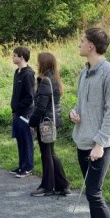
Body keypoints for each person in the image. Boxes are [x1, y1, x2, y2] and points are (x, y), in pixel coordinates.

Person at [70, 28, 110, 218]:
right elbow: (83, 103)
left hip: (99, 144)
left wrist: (100, 143)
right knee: (91, 195)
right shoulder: (85, 71)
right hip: (82, 140)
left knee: (94, 192)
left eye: (82, 41)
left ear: (91, 46)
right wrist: (75, 113)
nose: (79, 44)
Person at [28, 52, 70, 196]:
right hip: (52, 121)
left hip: (45, 122)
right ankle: (63, 185)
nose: (36, 63)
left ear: (43, 63)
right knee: (51, 153)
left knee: (46, 154)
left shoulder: (45, 80)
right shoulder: (54, 79)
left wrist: (31, 122)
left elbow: (40, 106)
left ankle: (47, 187)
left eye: (38, 61)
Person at [9, 46, 35, 178]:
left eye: (15, 55)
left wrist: (18, 107)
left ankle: (28, 168)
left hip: (25, 113)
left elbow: (30, 97)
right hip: (17, 113)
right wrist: (14, 109)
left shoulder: (28, 74)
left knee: (26, 140)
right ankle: (21, 166)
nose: (13, 57)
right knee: (20, 140)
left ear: (22, 57)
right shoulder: (17, 72)